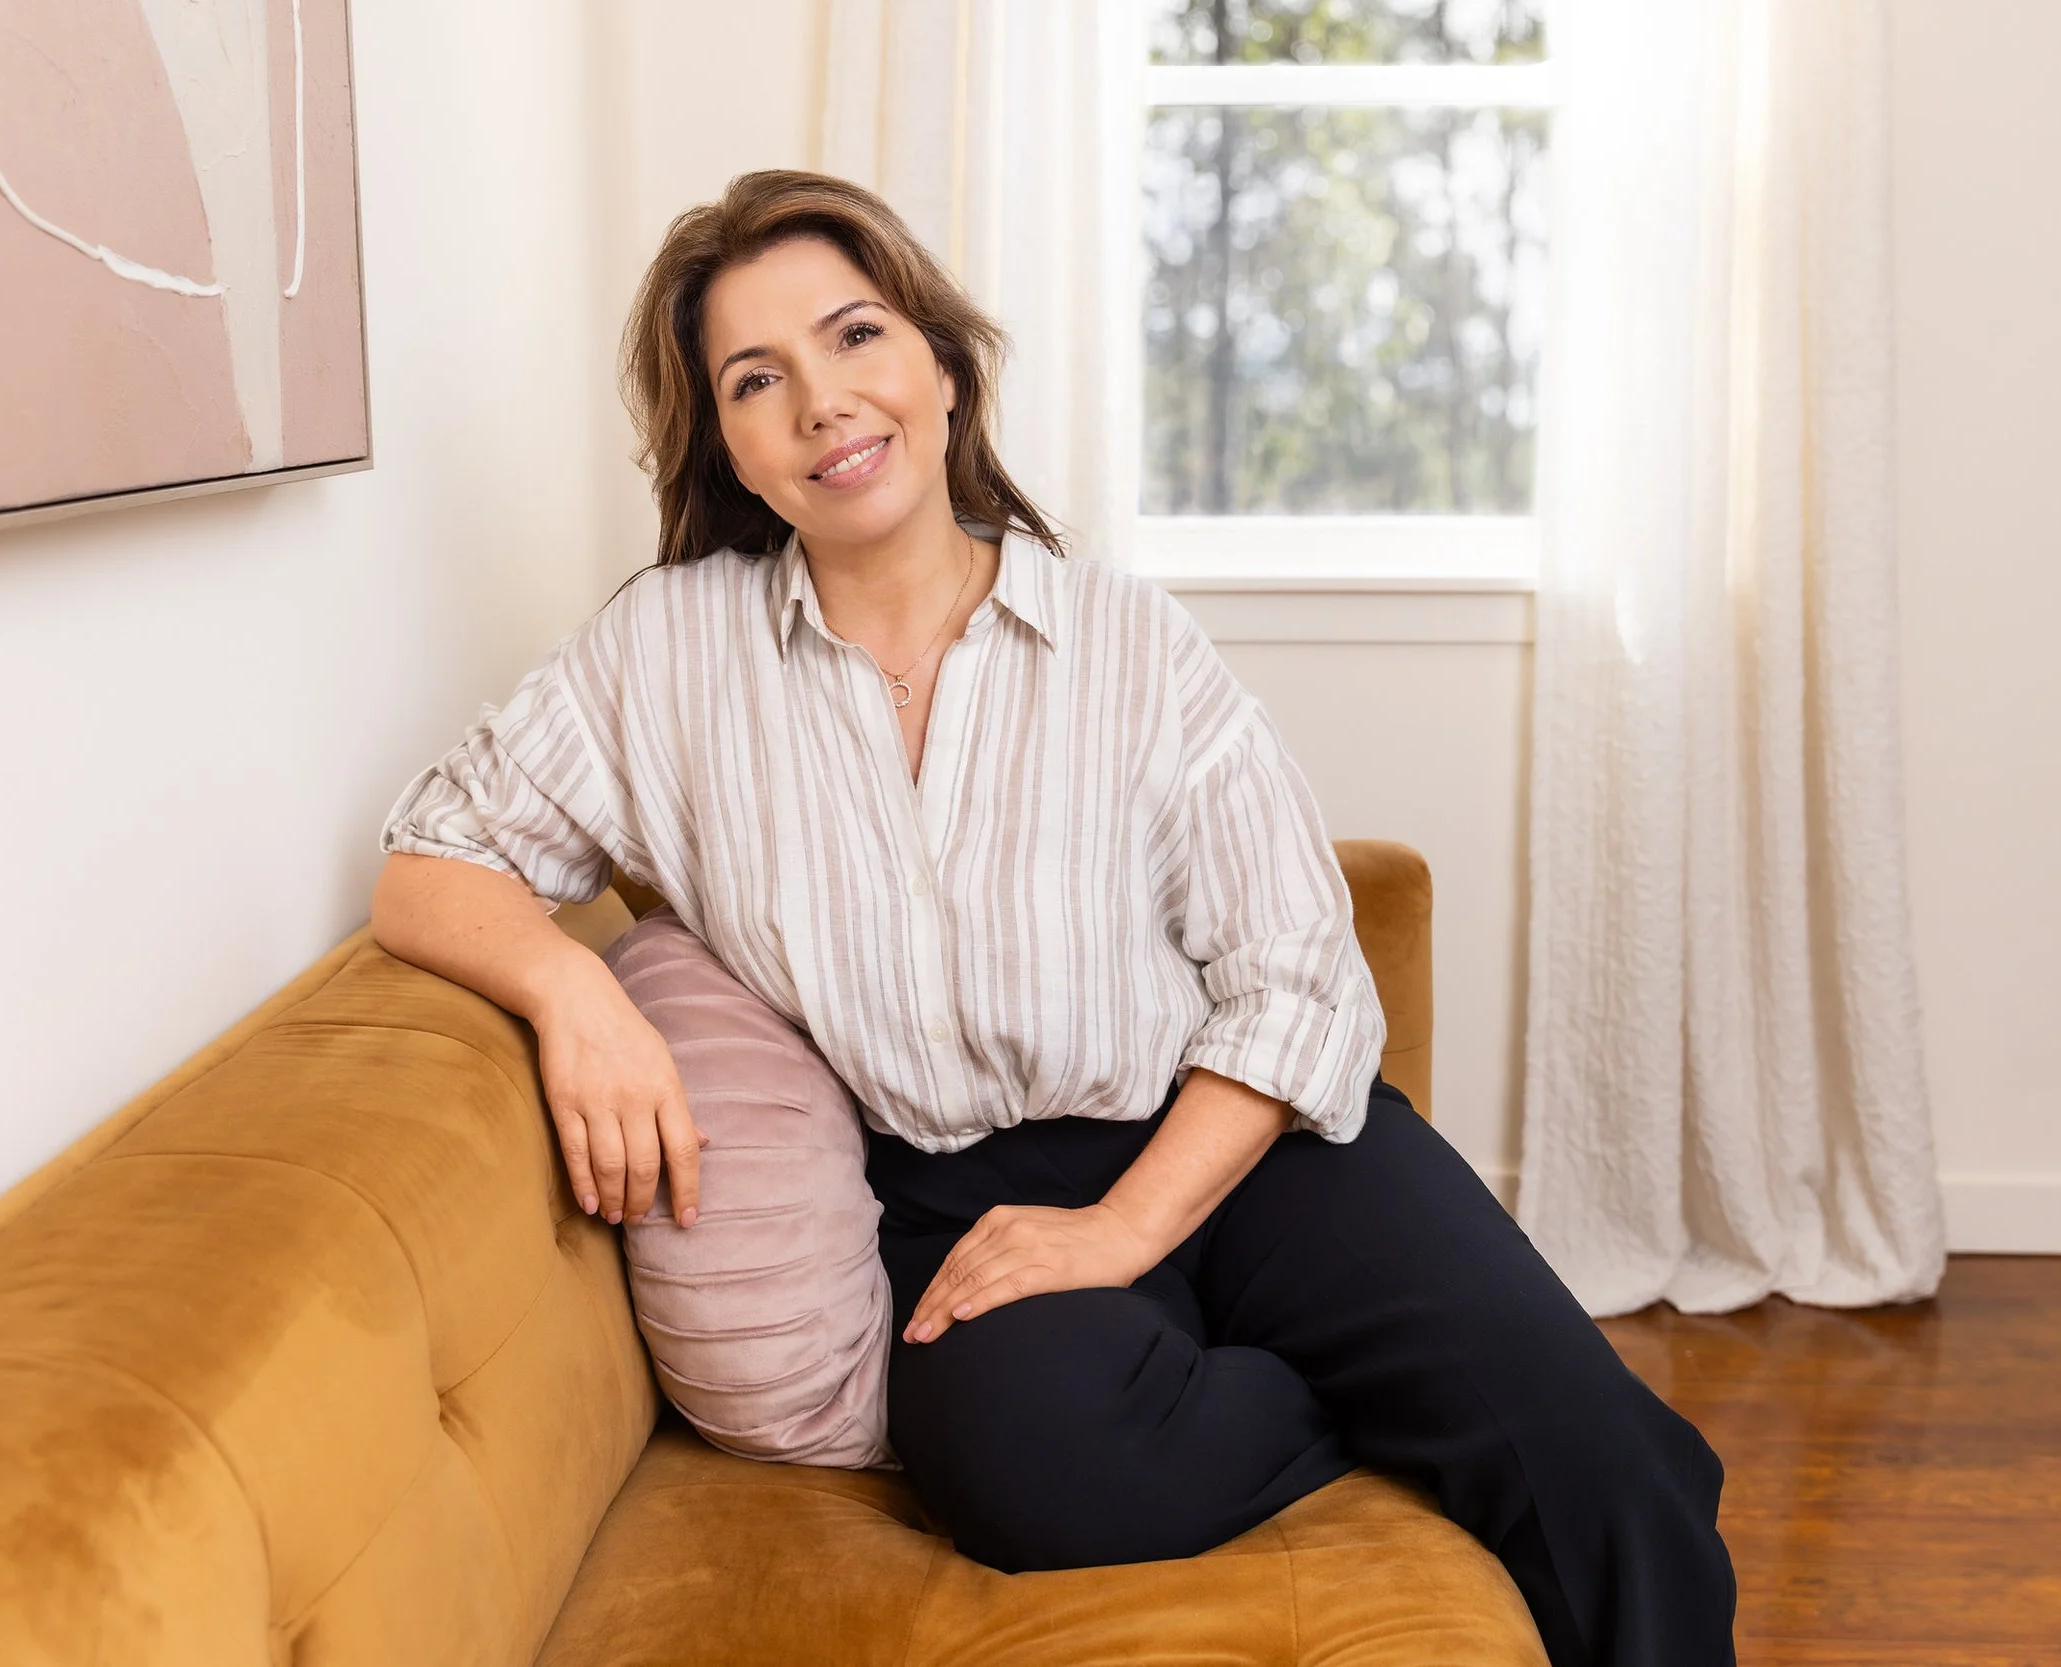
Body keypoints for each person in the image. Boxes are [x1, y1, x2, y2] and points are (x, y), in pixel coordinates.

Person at [370, 169, 1735, 1667]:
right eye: (757, 379)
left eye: (856, 336)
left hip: (1243, 1144)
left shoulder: (1129, 642)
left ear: (945, 372)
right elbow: (431, 859)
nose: (823, 402)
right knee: (1035, 1467)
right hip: (956, 1203)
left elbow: (1301, 976)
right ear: (731, 448)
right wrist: (576, 995)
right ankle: (1341, 1397)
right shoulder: (664, 656)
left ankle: (1370, 1373)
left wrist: (1128, 1226)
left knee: (1607, 1467)